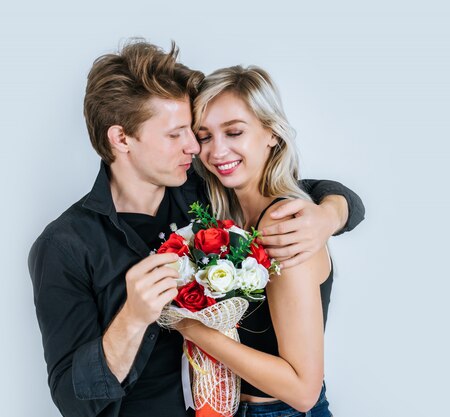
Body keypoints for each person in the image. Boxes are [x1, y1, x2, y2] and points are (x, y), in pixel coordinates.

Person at [28, 40, 364, 417]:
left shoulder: (208, 190)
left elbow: (283, 183)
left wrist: (332, 213)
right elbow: (74, 402)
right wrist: (133, 318)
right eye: (176, 134)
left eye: (194, 131)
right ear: (122, 138)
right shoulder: (64, 246)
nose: (195, 147)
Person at [176, 65, 347, 416]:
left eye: (234, 132)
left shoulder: (285, 224)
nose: (217, 152)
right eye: (205, 136)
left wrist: (189, 327)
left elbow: (303, 390)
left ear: (271, 131)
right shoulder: (228, 216)